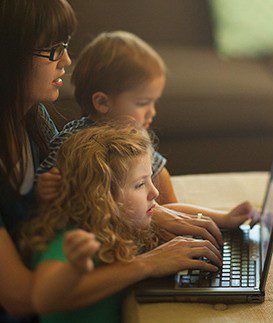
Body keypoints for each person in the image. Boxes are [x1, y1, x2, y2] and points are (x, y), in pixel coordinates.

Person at [37, 31, 258, 235]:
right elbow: (41, 195)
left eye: (154, 102)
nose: (152, 112)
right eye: (143, 103)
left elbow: (168, 208)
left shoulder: (138, 144)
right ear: (102, 102)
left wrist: (225, 218)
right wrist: (44, 187)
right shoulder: (72, 143)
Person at [22, 122, 223, 323]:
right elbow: (42, 300)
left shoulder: (123, 223)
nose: (155, 192)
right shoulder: (75, 236)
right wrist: (74, 270)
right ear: (101, 197)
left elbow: (171, 212)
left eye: (150, 179)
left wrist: (225, 218)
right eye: (140, 184)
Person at [0, 0, 100, 321]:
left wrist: (157, 218)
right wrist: (144, 265)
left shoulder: (34, 117)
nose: (67, 61)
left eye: (65, 46)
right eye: (52, 49)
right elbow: (22, 298)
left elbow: (79, 194)